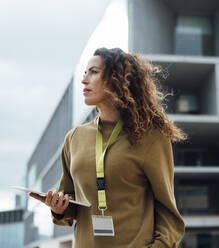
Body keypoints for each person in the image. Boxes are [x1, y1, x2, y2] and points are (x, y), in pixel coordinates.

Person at [30, 47, 187, 248]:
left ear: (117, 78)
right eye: (84, 73)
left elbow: (169, 215)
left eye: (93, 72)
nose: (84, 80)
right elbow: (69, 205)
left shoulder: (151, 137)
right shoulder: (74, 138)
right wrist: (58, 208)